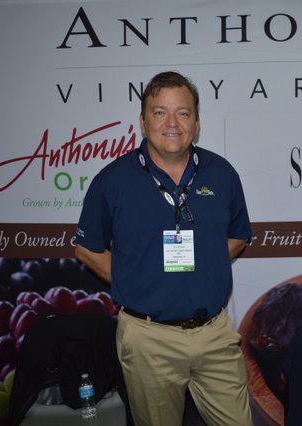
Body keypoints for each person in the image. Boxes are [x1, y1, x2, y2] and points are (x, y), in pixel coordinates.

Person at [74, 71, 253, 426]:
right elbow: (87, 248)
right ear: (143, 121)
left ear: (196, 123)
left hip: (214, 333)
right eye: (160, 112)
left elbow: (238, 236)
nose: (172, 123)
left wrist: (206, 268)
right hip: (148, 339)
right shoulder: (112, 181)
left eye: (183, 113)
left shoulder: (222, 174)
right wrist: (134, 282)